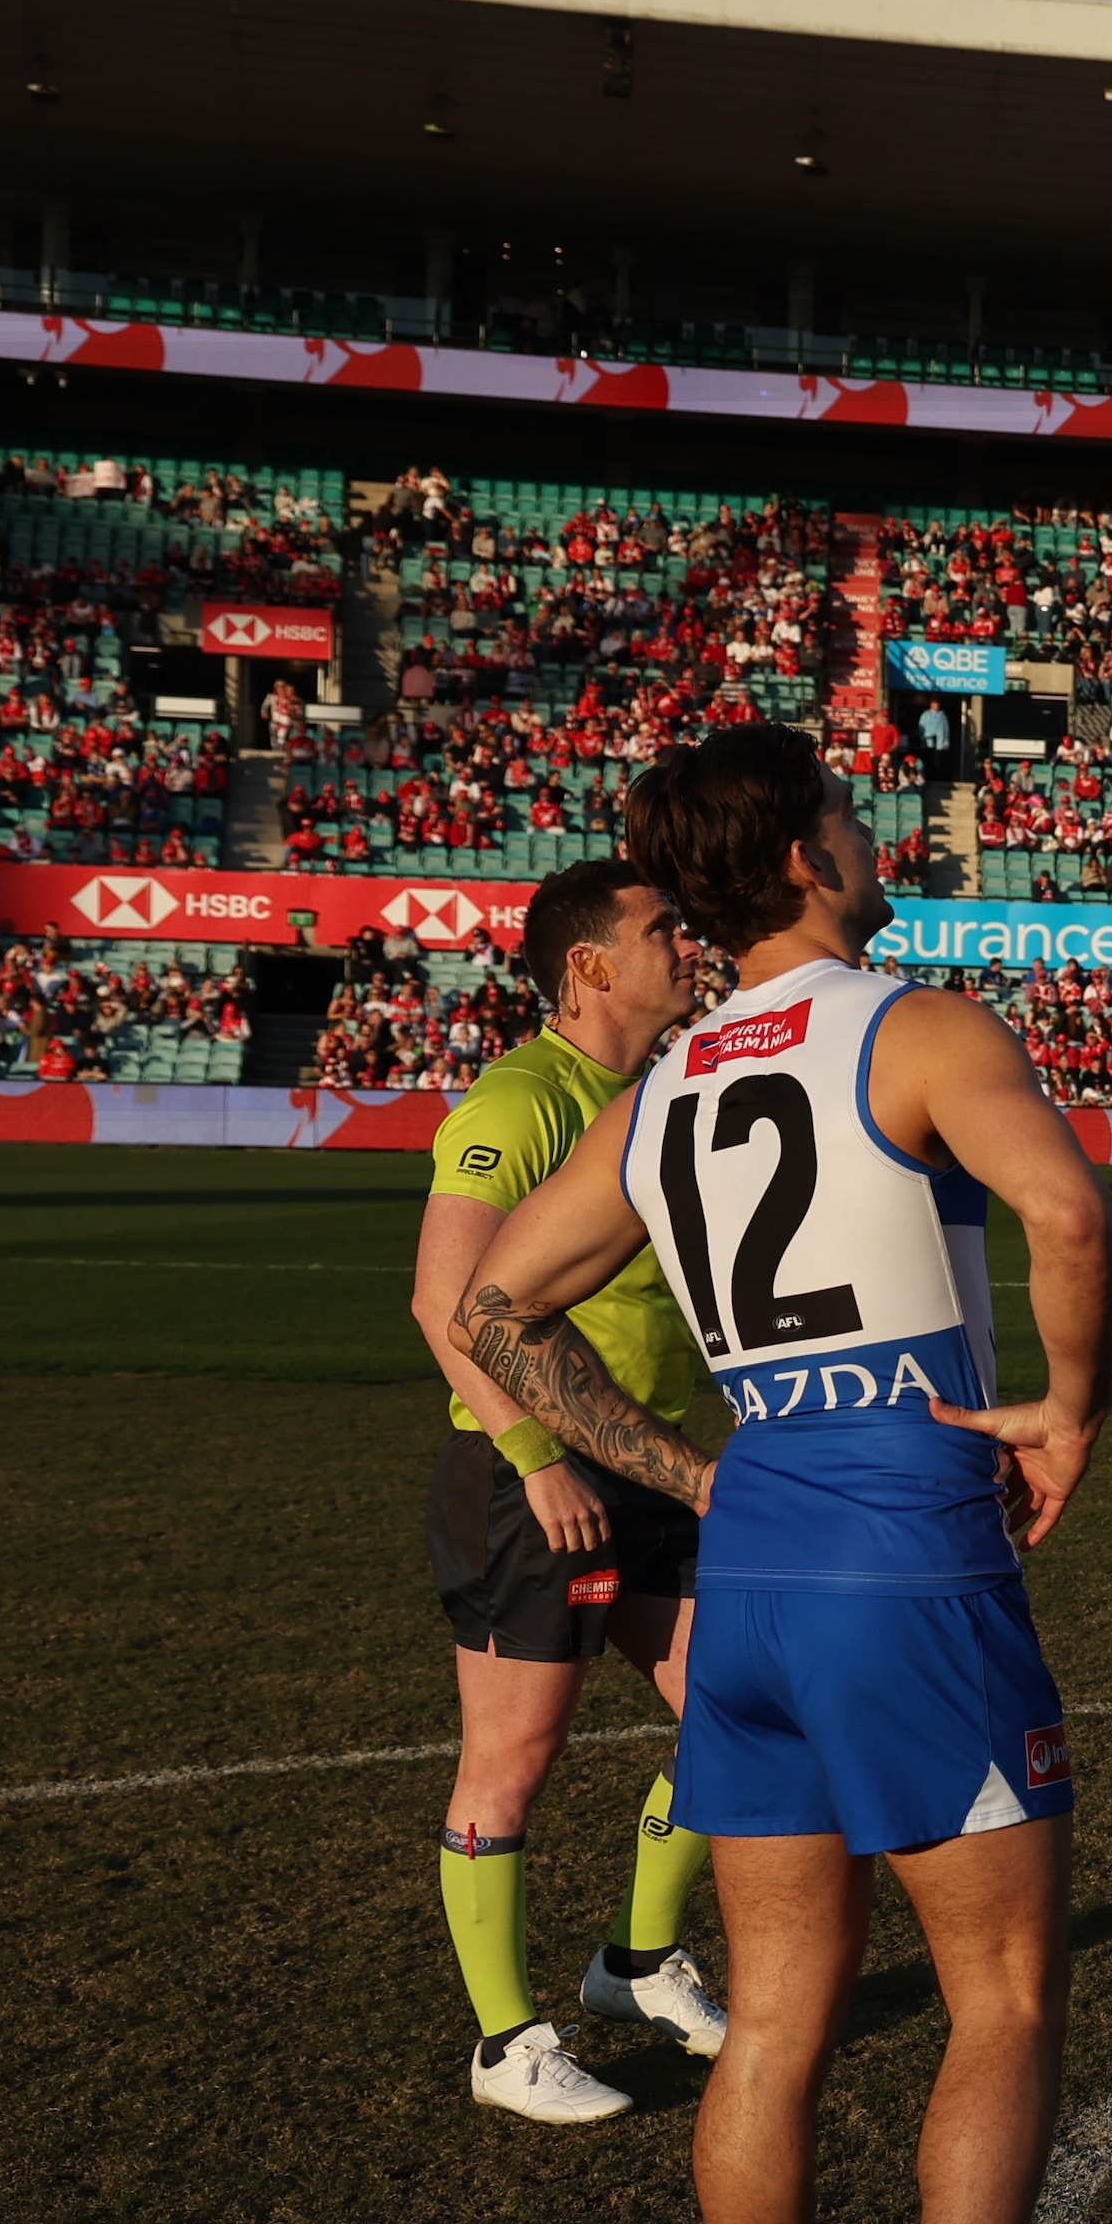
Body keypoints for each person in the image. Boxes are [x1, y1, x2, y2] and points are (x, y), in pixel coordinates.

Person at [457, 722, 1112, 2224]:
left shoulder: (664, 1079)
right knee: (1001, 1994)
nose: (869, 825)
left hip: (750, 1549)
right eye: (847, 807)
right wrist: (1071, 1408)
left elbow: (495, 1307)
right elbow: (1066, 1208)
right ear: (805, 858)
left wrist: (687, 1468)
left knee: (770, 2015)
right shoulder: (913, 1025)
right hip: (902, 1544)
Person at [407, 857, 729, 2126]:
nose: (689, 944)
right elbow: (443, 1304)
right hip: (528, 1479)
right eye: (663, 928)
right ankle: (505, 2043)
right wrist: (536, 1460)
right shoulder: (521, 1098)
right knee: (512, 1762)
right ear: (590, 966)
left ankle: (635, 1963)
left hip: (647, 1462)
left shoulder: (653, 1094)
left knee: (742, 1711)